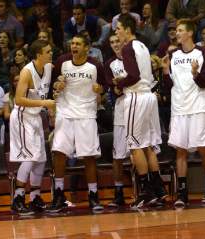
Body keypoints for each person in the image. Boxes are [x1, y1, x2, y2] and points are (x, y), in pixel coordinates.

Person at [48, 34, 107, 212]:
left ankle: (93, 195)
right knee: (59, 153)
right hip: (65, 112)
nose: (74, 46)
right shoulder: (62, 62)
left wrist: (100, 90)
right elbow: (53, 86)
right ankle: (58, 194)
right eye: (72, 43)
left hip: (86, 114)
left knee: (89, 156)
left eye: (78, 44)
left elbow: (103, 89)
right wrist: (57, 86)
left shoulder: (95, 65)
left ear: (87, 47)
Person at [162, 19, 205, 207]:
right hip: (179, 109)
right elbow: (168, 86)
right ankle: (182, 192)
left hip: (198, 107)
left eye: (180, 30)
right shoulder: (172, 54)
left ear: (190, 33)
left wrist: (195, 73)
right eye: (176, 30)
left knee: (203, 149)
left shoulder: (204, 53)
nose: (177, 33)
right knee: (180, 151)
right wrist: (166, 71)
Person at [115, 13, 164, 209]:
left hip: (137, 96)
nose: (116, 32)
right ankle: (158, 189)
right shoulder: (142, 46)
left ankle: (145, 192)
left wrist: (120, 83)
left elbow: (133, 76)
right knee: (148, 145)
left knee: (135, 145)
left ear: (127, 29)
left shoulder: (128, 47)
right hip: (149, 97)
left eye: (118, 28)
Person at [9, 40, 55, 215]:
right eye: (48, 51)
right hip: (22, 116)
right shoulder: (27, 72)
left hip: (35, 116)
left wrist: (59, 83)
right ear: (38, 55)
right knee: (29, 156)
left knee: (41, 158)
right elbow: (18, 99)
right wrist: (44, 102)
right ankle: (18, 198)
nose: (51, 53)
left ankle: (35, 197)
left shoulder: (49, 67)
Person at [104, 33, 127, 208]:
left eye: (117, 41)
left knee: (140, 150)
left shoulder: (133, 57)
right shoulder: (110, 64)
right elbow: (112, 90)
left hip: (138, 105)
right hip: (121, 108)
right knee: (118, 154)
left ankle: (144, 189)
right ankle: (119, 193)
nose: (115, 44)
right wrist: (117, 88)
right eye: (112, 42)